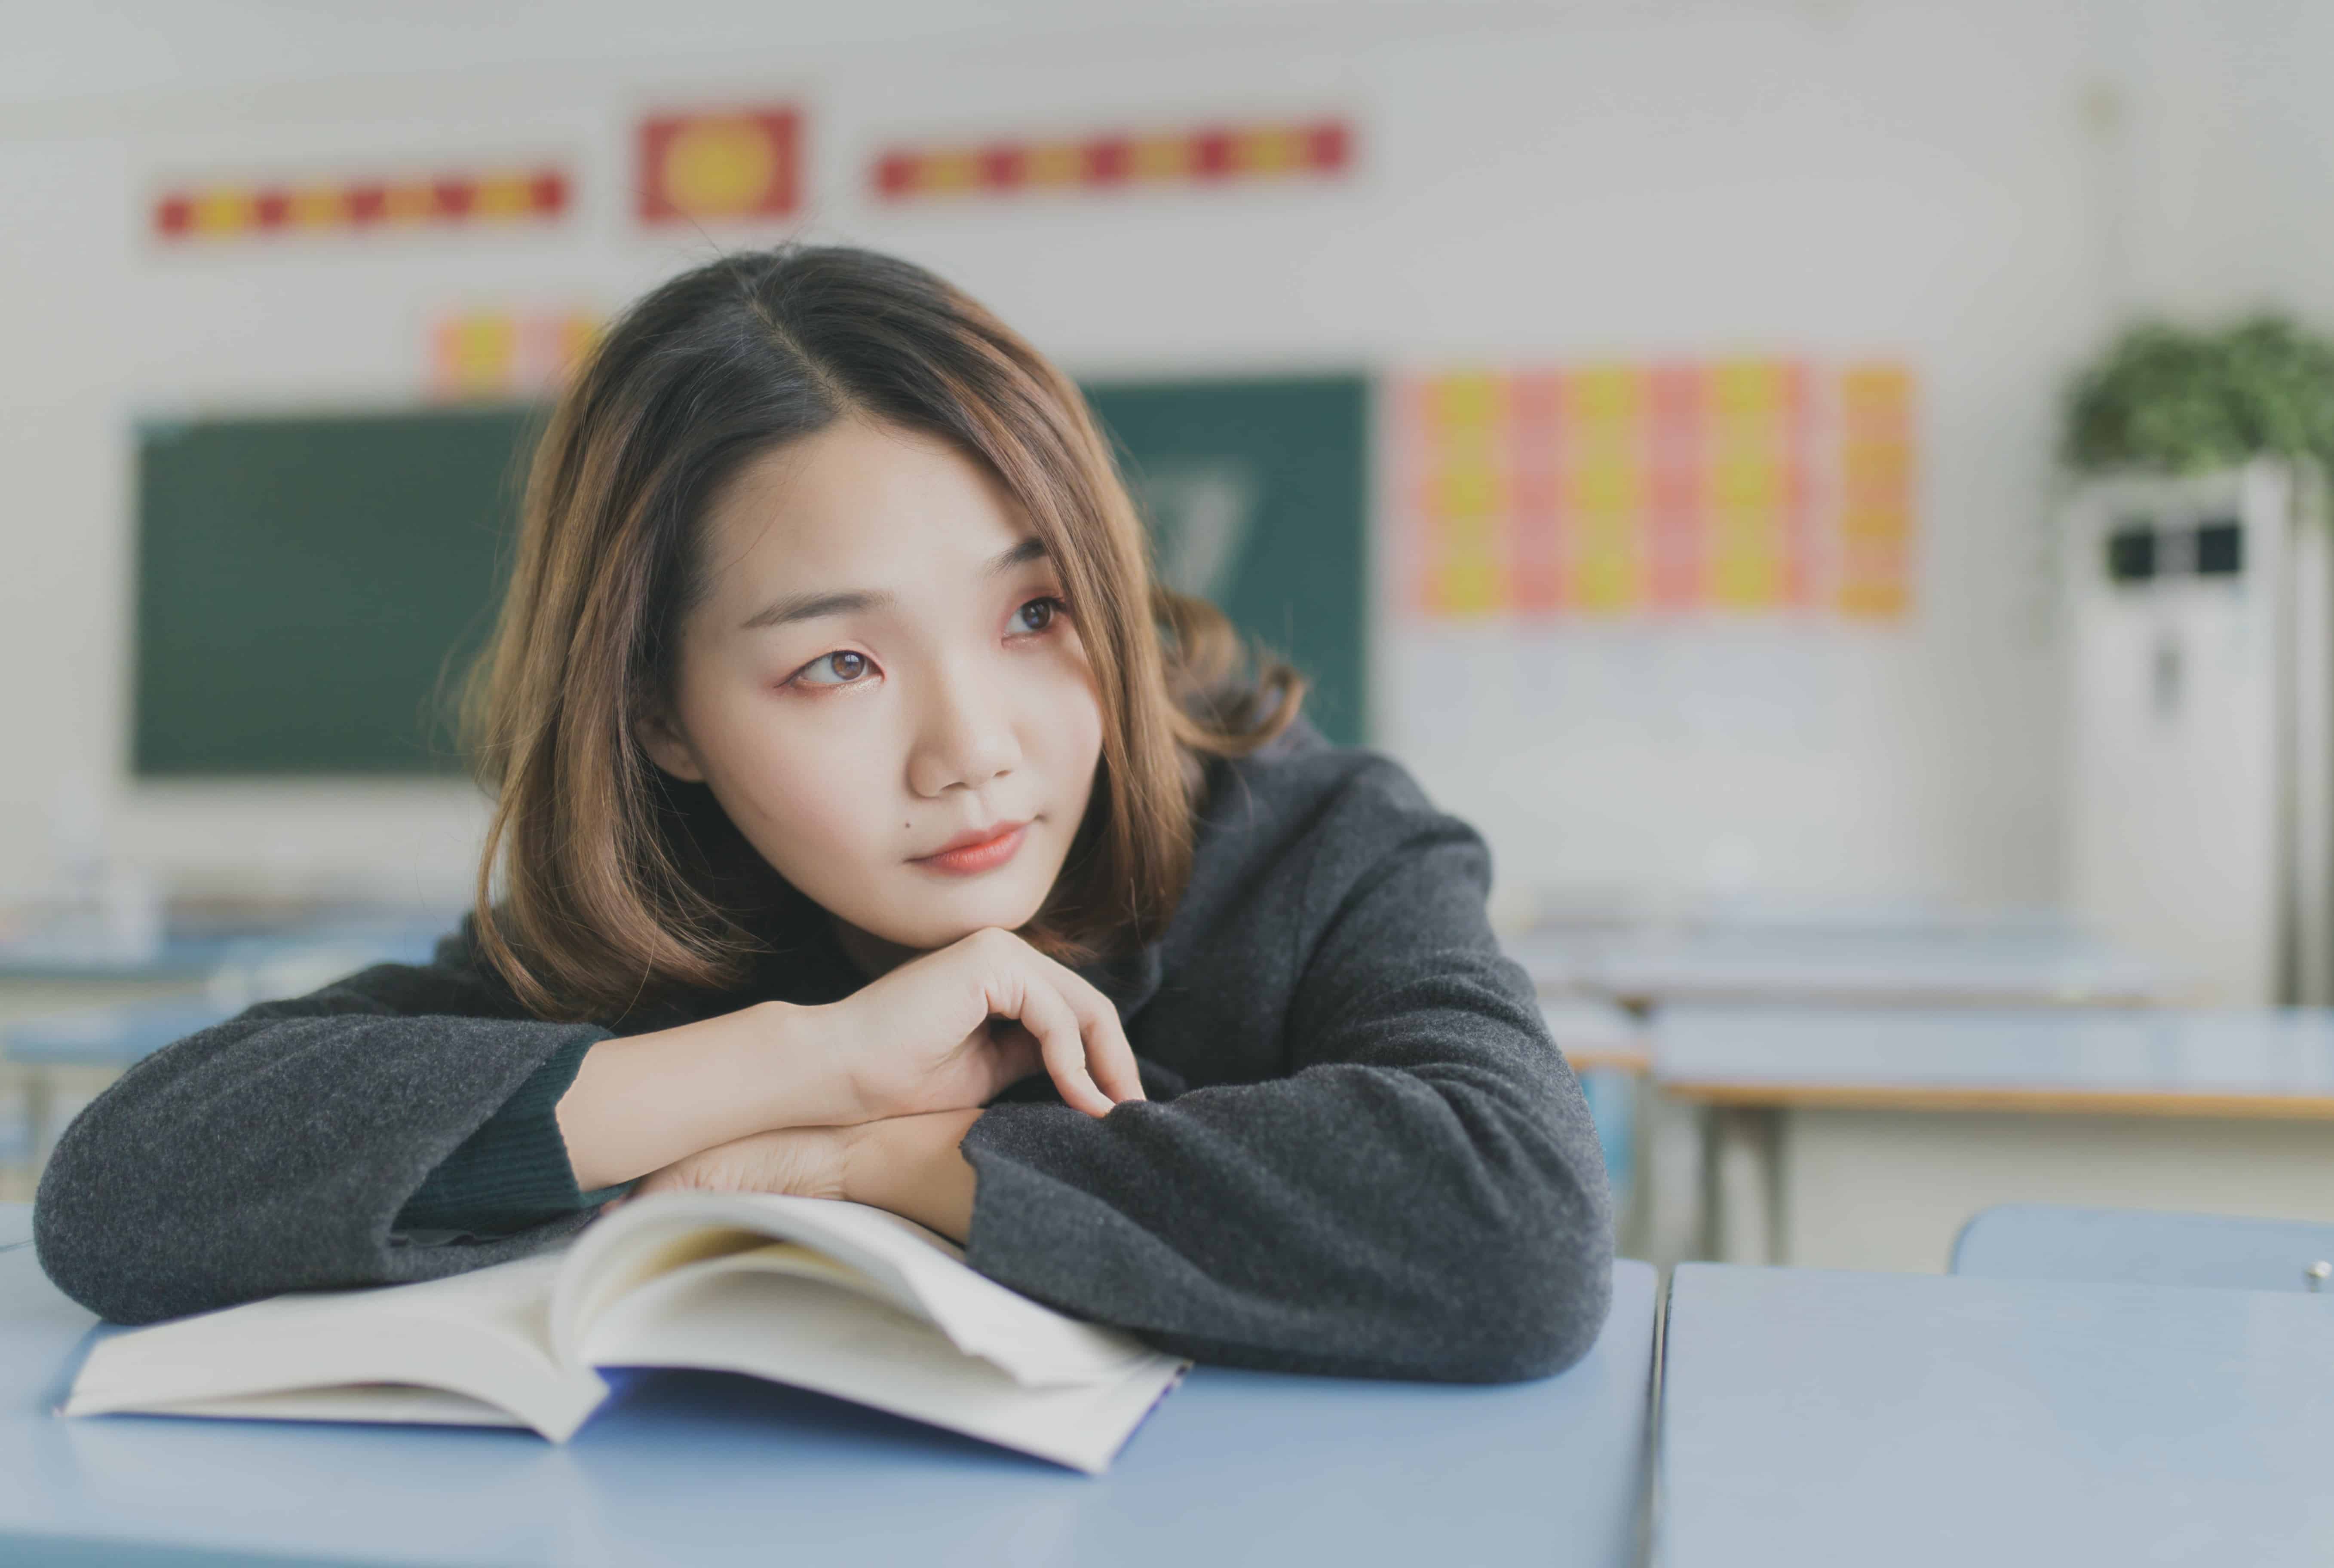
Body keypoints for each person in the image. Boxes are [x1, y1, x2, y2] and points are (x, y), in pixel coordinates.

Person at [34, 245, 1613, 1381]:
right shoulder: (680, 919)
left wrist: (879, 1163)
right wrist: (804, 1060)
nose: (973, 752)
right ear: (661, 712)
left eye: (1035, 613)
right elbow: (127, 1190)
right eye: (841, 662)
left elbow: (1517, 1234)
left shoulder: (1312, 846)